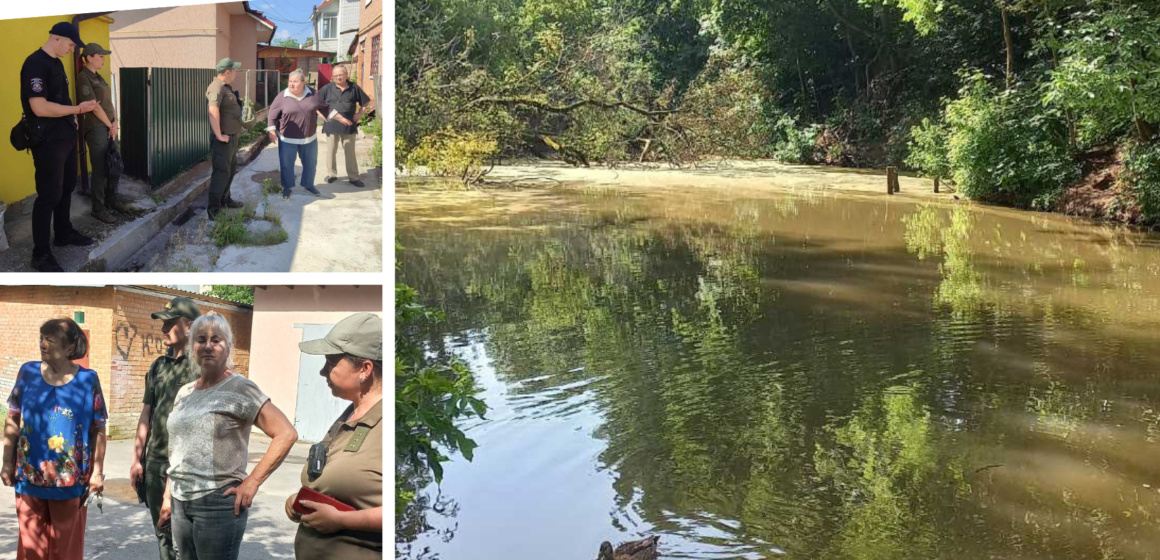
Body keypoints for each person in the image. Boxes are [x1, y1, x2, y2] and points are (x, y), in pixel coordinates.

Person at [159, 312, 298, 560]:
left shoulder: (240, 388)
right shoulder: (185, 392)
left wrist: (252, 483)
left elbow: (285, 433)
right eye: (201, 339)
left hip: (218, 503)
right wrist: (168, 496)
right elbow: (177, 448)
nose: (208, 346)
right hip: (180, 501)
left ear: (228, 348)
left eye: (217, 340)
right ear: (192, 347)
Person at [2, 318, 108, 560]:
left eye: (50, 339)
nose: (43, 343)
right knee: (30, 550)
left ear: (70, 348)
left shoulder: (87, 380)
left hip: (70, 482)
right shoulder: (27, 372)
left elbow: (99, 429)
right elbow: (12, 418)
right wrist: (7, 462)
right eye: (42, 338)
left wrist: (98, 472)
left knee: (66, 551)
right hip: (29, 477)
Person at [284, 312, 383, 559]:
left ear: (364, 369)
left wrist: (342, 519)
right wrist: (301, 500)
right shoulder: (350, 414)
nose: (322, 372)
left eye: (330, 363)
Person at [21, 22, 101, 272]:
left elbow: (61, 99)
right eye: (70, 44)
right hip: (47, 142)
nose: (72, 49)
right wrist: (78, 109)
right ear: (57, 38)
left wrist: (73, 118)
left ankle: (63, 233)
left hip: (65, 137)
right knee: (48, 196)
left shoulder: (57, 63)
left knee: (67, 187)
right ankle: (41, 254)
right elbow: (40, 107)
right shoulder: (35, 63)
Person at [129, 296, 202, 560]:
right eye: (163, 323)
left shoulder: (200, 369)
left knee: (184, 539)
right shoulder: (158, 366)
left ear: (190, 326)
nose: (163, 330)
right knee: (162, 534)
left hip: (183, 467)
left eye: (170, 323)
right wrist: (137, 459)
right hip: (154, 463)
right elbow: (147, 413)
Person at [266, 69, 344, 200]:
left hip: (309, 138)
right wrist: (272, 131)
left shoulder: (313, 94)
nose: (291, 84)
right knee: (286, 165)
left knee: (310, 164)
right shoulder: (282, 96)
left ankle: (309, 185)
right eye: (290, 81)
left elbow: (326, 107)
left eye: (295, 81)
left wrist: (340, 118)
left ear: (303, 83)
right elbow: (272, 114)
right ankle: (287, 187)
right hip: (287, 138)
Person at [76, 42, 128, 224]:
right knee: (100, 169)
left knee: (114, 164)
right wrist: (109, 125)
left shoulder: (99, 77)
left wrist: (115, 121)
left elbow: (109, 102)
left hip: (108, 126)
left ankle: (112, 200)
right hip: (97, 129)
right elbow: (94, 107)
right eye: (100, 56)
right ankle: (98, 208)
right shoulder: (84, 78)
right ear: (89, 57)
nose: (103, 59)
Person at [316, 66, 374, 188]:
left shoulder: (354, 88)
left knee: (350, 153)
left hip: (349, 126)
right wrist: (322, 115)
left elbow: (366, 101)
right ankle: (332, 175)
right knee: (331, 151)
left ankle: (353, 177)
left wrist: (360, 113)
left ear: (346, 74)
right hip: (331, 126)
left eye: (340, 74)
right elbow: (315, 102)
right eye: (335, 75)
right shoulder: (327, 88)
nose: (338, 77)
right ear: (333, 76)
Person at [205, 58, 247, 220]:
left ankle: (225, 199)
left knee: (230, 171)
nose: (236, 73)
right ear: (228, 72)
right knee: (221, 173)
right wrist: (219, 135)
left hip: (231, 137)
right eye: (235, 70)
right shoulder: (216, 87)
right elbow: (213, 111)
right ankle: (213, 210)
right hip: (223, 139)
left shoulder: (225, 87)